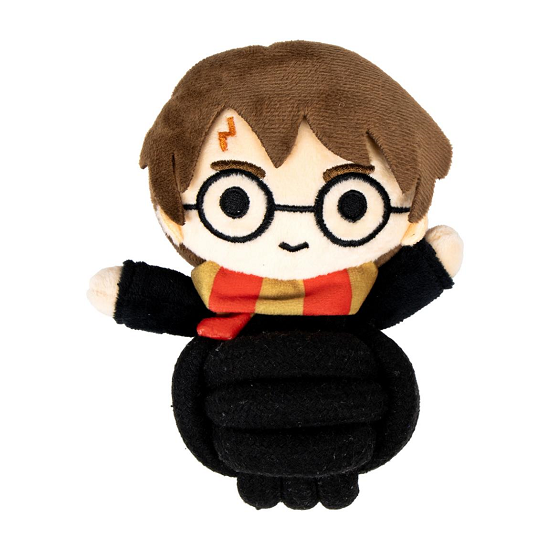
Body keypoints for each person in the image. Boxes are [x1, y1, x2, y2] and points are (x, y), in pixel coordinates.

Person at [88, 41, 463, 509]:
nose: (293, 233)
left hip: (346, 415)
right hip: (239, 417)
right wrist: (133, 294)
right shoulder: (223, 299)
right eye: (235, 201)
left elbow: (391, 298)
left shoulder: (357, 296)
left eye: (351, 202)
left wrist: (127, 295)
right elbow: (177, 305)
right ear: (171, 209)